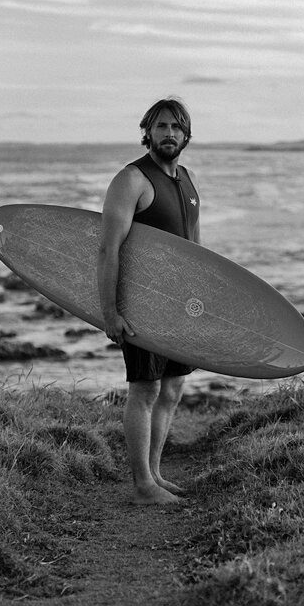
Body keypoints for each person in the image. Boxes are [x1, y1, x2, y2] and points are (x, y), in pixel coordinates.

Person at [97, 98, 200, 505]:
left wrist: (202, 303)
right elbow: (108, 250)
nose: (169, 134)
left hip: (178, 306)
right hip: (141, 305)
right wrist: (110, 313)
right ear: (147, 132)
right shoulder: (132, 180)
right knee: (144, 390)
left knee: (172, 390)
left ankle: (155, 474)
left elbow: (196, 249)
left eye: (176, 127)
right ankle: (142, 485)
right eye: (160, 127)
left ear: (186, 133)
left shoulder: (187, 180)